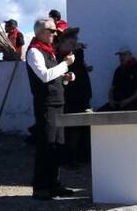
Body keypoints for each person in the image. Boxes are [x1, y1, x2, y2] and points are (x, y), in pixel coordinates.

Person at [25, 17, 79, 199]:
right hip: (45, 105)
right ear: (41, 32)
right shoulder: (34, 52)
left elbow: (53, 77)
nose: (55, 34)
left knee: (57, 145)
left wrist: (65, 78)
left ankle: (53, 183)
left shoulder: (49, 51)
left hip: (57, 103)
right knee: (45, 145)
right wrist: (65, 65)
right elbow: (44, 76)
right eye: (52, 30)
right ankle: (40, 186)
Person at [58, 26, 92, 165]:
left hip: (82, 93)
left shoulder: (76, 52)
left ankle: (82, 157)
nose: (76, 40)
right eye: (73, 38)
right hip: (72, 94)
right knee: (73, 128)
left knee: (84, 126)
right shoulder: (64, 54)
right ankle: (71, 158)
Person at [100, 46, 137, 111]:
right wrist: (111, 100)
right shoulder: (118, 70)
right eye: (120, 55)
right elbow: (112, 88)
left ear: (130, 55)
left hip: (135, 103)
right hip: (118, 103)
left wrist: (127, 100)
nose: (121, 57)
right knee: (97, 114)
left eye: (124, 55)